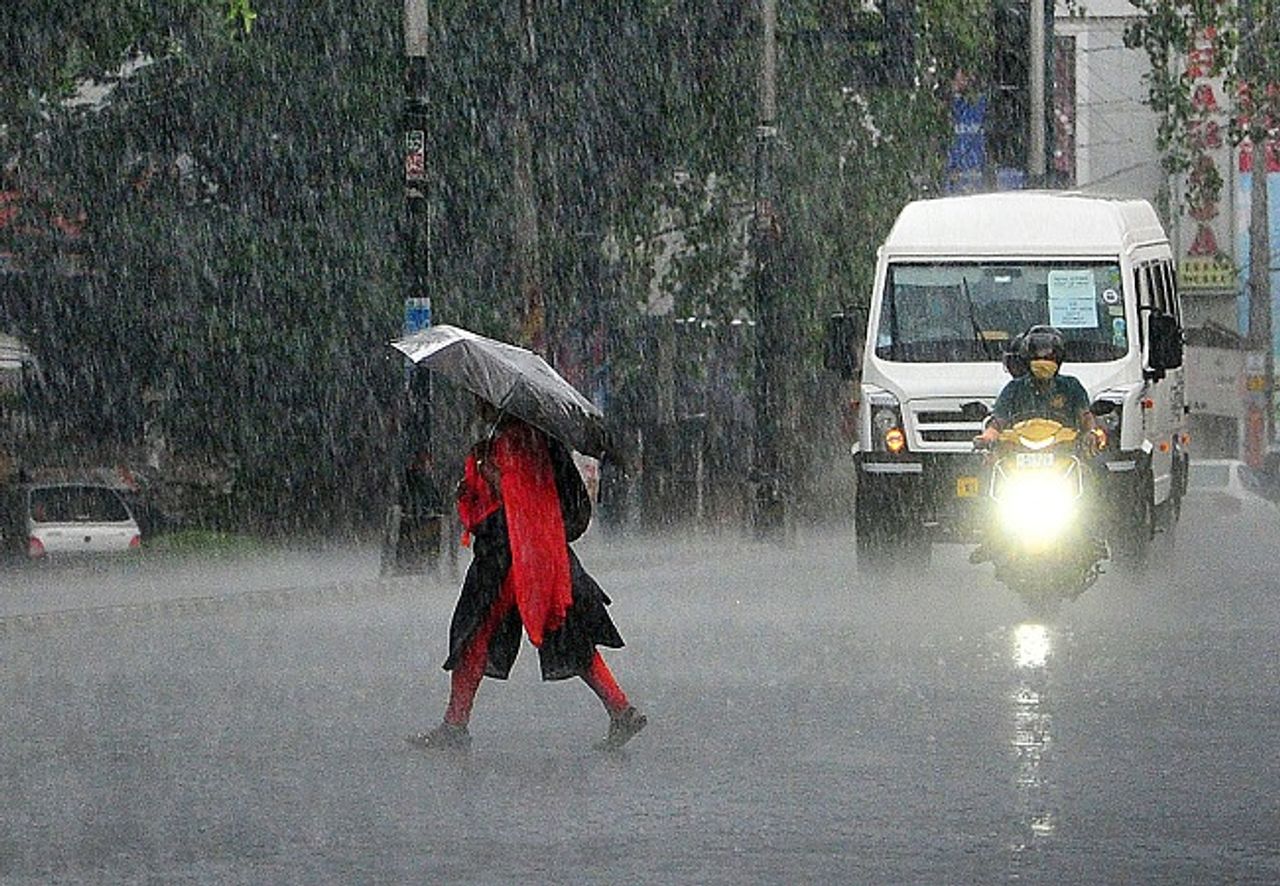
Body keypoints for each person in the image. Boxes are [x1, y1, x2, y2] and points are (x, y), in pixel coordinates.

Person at [408, 398, 647, 752]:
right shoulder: (538, 440)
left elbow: (515, 500)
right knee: (567, 634)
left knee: (474, 634)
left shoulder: (514, 443)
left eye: (481, 401)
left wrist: (490, 478)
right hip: (544, 553)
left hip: (510, 558)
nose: (475, 405)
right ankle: (620, 708)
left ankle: (455, 726)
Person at [974, 325, 1096, 448]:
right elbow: (998, 421)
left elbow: (1085, 417)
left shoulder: (1071, 386)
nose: (1043, 363)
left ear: (1058, 359)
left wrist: (1091, 433)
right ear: (1027, 359)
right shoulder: (1014, 388)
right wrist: (987, 437)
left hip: (1063, 452)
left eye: (1049, 358)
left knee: (1095, 465)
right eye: (1036, 358)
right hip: (1018, 452)